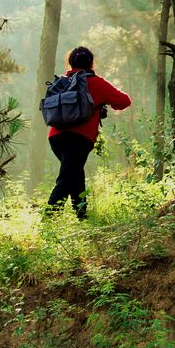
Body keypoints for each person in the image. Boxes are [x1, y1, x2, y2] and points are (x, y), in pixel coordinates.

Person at [47, 46, 131, 219]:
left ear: (70, 62)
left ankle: (82, 217)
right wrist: (104, 103)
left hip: (56, 137)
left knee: (75, 174)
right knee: (66, 178)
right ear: (91, 63)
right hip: (79, 138)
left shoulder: (62, 82)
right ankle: (49, 220)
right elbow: (124, 101)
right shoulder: (95, 82)